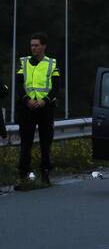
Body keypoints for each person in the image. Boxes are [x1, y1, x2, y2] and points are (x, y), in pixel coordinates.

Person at [15, 32, 60, 188]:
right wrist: (27, 100)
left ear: (43, 46)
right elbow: (19, 84)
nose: (33, 48)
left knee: (45, 143)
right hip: (27, 108)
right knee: (25, 143)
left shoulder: (52, 63)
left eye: (36, 45)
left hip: (45, 108)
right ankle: (23, 176)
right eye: (32, 45)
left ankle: (45, 174)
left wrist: (44, 101)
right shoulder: (24, 62)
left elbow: (56, 86)